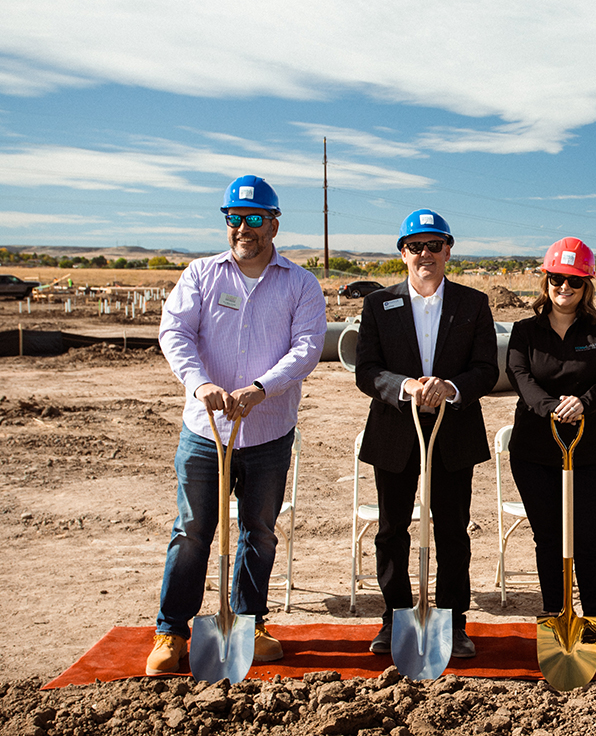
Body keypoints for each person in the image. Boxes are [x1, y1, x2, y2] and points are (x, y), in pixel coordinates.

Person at [147, 175, 327, 675]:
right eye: (234, 218)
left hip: (268, 431)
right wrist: (200, 383)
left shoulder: (300, 283)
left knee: (259, 532)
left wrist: (261, 388)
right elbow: (175, 332)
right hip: (205, 432)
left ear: (273, 223)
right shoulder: (201, 275)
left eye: (253, 218)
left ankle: (247, 622)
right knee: (192, 529)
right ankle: (170, 633)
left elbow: (307, 346)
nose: (243, 228)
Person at [354, 208, 498, 659]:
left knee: (453, 530)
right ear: (403, 253)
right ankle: (395, 618)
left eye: (434, 245)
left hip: (453, 435)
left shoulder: (473, 304)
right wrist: (405, 386)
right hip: (395, 434)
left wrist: (450, 387)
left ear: (448, 250)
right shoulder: (379, 304)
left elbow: (486, 370)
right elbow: (367, 371)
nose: (425, 254)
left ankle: (452, 623)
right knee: (391, 531)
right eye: (416, 246)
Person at [505, 238, 596, 620]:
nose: (564, 288)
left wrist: (584, 403)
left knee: (587, 540)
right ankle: (555, 615)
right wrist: (551, 407)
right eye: (557, 278)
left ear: (586, 285)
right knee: (549, 540)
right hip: (534, 452)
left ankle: (592, 620)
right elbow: (519, 376)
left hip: (587, 452)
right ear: (546, 281)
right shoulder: (525, 332)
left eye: (574, 281)